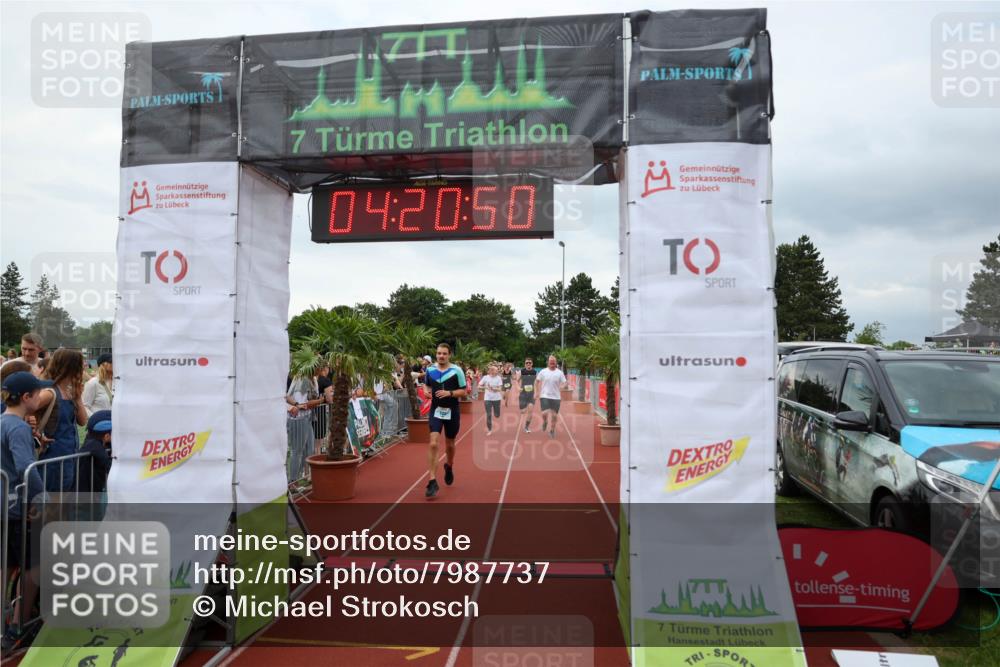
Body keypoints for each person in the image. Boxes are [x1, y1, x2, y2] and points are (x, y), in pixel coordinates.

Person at [1, 371, 49, 651]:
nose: (42, 397)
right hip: (17, 508)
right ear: (27, 397)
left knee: (5, 566)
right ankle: (18, 625)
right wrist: (41, 498)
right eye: (38, 393)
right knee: (33, 565)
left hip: (3, 506)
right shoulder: (17, 427)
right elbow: (25, 468)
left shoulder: (3, 422)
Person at [36, 348, 88, 491]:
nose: (83, 368)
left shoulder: (69, 391)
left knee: (61, 503)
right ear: (72, 367)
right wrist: (36, 434)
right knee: (50, 504)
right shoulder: (49, 391)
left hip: (68, 456)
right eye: (81, 365)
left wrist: (77, 397)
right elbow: (24, 409)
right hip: (52, 458)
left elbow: (83, 421)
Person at [424, 343, 467, 498]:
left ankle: (449, 466)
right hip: (436, 410)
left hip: (452, 411)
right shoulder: (430, 370)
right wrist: (426, 392)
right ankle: (432, 481)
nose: (441, 356)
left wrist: (449, 393)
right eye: (438, 353)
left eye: (444, 353)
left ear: (449, 355)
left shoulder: (457, 371)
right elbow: (426, 385)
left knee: (450, 443)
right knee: (433, 442)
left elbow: (464, 391)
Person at [286, 372, 325, 486]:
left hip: (307, 418)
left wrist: (318, 401)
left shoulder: (313, 379)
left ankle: (303, 476)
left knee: (310, 449)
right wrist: (320, 401)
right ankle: (293, 482)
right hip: (297, 419)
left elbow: (309, 403)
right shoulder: (301, 380)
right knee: (296, 451)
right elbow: (305, 404)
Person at [78, 409, 112, 495]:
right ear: (107, 436)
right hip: (86, 494)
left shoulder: (92, 442)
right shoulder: (94, 445)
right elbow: (108, 464)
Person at [535, 355, 568, 438]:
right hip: (544, 395)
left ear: (556, 363)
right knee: (544, 413)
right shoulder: (543, 371)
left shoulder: (559, 373)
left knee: (554, 415)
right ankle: (545, 421)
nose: (552, 362)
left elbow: (565, 382)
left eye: (554, 361)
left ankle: (552, 430)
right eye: (551, 361)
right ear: (548, 362)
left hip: (556, 397)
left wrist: (563, 386)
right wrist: (536, 392)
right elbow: (537, 381)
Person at [82, 352, 114, 416]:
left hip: (117, 423)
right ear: (102, 364)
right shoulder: (93, 383)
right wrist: (96, 419)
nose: (114, 364)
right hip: (100, 424)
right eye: (111, 362)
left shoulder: (118, 383)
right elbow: (85, 407)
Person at [478, 364, 504, 435]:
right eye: (496, 370)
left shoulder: (498, 378)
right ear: (491, 371)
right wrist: (485, 387)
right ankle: (489, 430)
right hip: (487, 398)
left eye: (497, 370)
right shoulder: (485, 378)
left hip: (496, 399)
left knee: (497, 415)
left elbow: (500, 389)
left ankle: (497, 413)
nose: (497, 371)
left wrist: (494, 389)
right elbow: (479, 386)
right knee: (488, 414)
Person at [518, 357, 538, 432]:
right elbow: (517, 381)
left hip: (531, 394)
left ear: (532, 364)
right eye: (527, 363)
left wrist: (536, 393)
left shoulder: (535, 372)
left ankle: (526, 427)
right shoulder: (522, 372)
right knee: (523, 411)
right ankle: (523, 407)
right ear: (525, 364)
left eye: (530, 363)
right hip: (523, 394)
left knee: (530, 411)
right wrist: (518, 388)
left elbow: (536, 384)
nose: (528, 364)